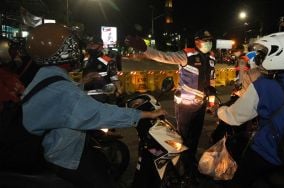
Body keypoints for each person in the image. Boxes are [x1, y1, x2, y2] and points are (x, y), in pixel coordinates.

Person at [22, 23, 167, 188]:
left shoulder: (45, 76)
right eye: (71, 44)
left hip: (60, 140)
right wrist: (143, 115)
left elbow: (64, 102)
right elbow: (97, 113)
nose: (78, 48)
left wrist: (83, 83)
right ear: (60, 52)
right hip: (64, 155)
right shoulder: (62, 88)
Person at [216, 32, 284, 187]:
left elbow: (234, 116)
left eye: (263, 54)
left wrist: (220, 110)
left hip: (268, 152)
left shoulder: (263, 85)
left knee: (238, 180)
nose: (259, 59)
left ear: (277, 55)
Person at [125, 29, 216, 182]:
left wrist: (211, 102)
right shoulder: (186, 55)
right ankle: (180, 167)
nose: (208, 43)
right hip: (185, 106)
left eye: (210, 40)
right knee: (183, 139)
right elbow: (163, 56)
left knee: (195, 138)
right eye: (205, 40)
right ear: (197, 41)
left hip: (201, 105)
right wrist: (145, 49)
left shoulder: (212, 57)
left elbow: (212, 81)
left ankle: (189, 163)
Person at [0, 37, 25, 111]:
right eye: (13, 53)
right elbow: (7, 96)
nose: (18, 55)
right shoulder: (3, 73)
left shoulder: (8, 72)